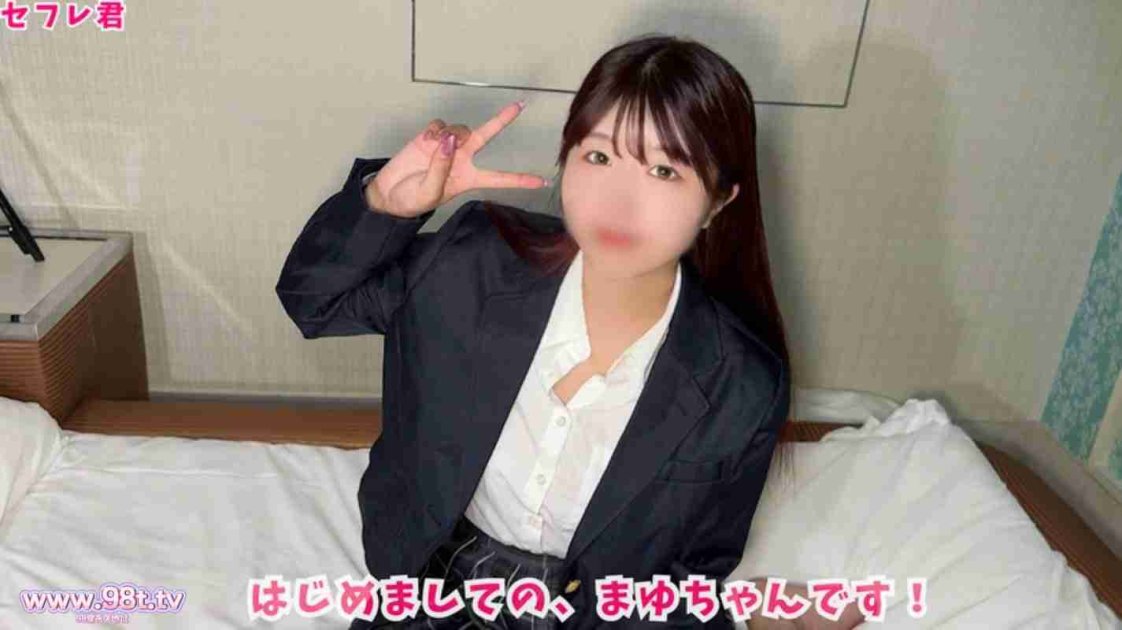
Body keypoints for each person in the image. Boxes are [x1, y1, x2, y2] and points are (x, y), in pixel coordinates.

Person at [277, 33, 862, 630]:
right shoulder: (473, 263)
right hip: (434, 590)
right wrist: (384, 204)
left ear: (717, 201)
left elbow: (693, 569)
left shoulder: (742, 382)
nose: (618, 202)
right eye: (599, 158)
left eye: (664, 170)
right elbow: (313, 304)